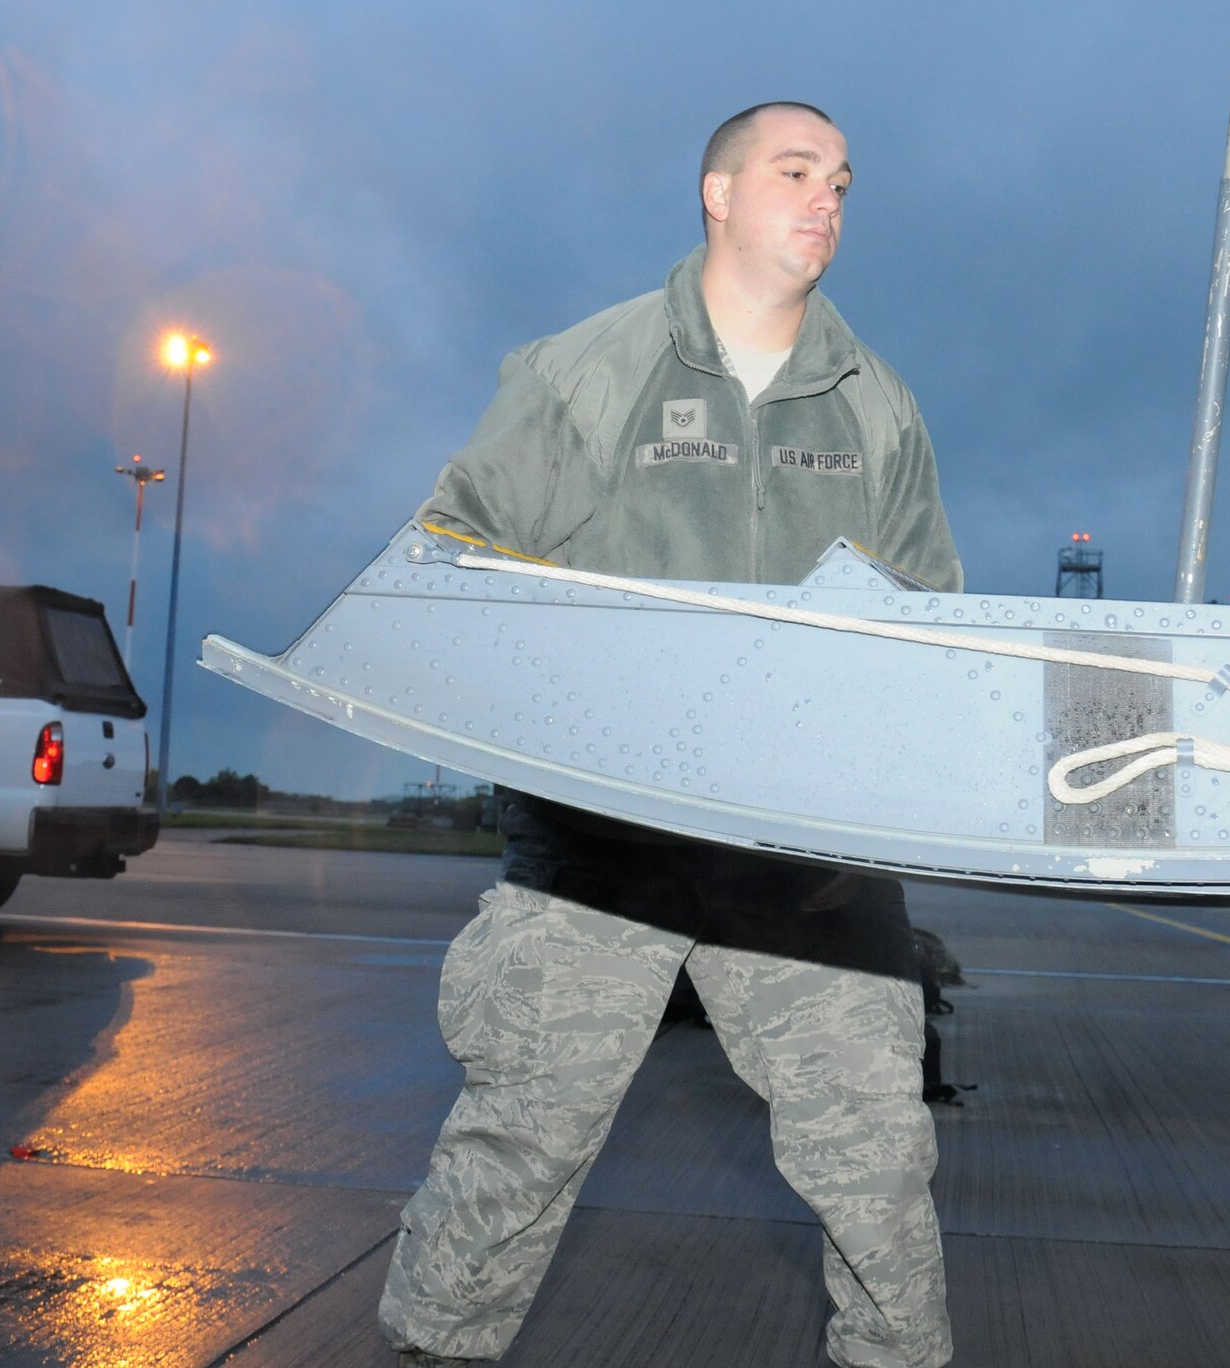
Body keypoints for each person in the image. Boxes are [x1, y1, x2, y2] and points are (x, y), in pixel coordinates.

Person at [379, 102, 960, 1368]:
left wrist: (881, 800)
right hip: (598, 845)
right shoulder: (585, 373)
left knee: (877, 1163)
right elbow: (455, 551)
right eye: (794, 171)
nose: (826, 199)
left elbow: (923, 626)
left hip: (804, 859)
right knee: (516, 1148)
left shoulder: (876, 408)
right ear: (717, 192)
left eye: (842, 181)